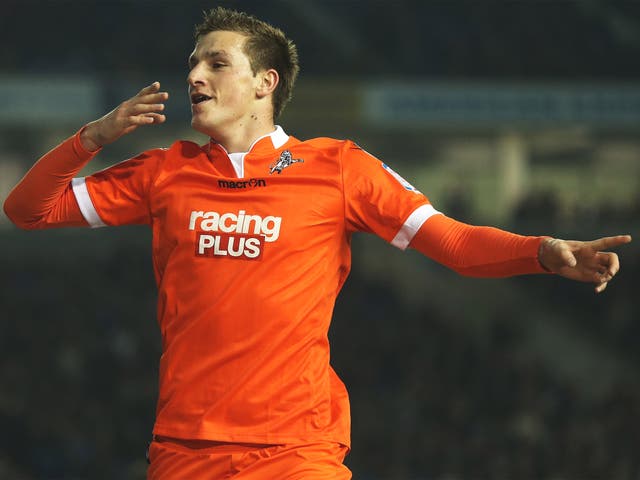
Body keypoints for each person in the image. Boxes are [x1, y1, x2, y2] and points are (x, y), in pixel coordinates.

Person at [3, 6, 632, 480]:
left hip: (296, 451)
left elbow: (456, 243)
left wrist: (542, 251)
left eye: (216, 62)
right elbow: (28, 210)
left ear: (264, 83)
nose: (195, 73)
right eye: (192, 62)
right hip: (185, 450)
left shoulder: (339, 168)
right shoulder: (164, 171)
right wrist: (91, 137)